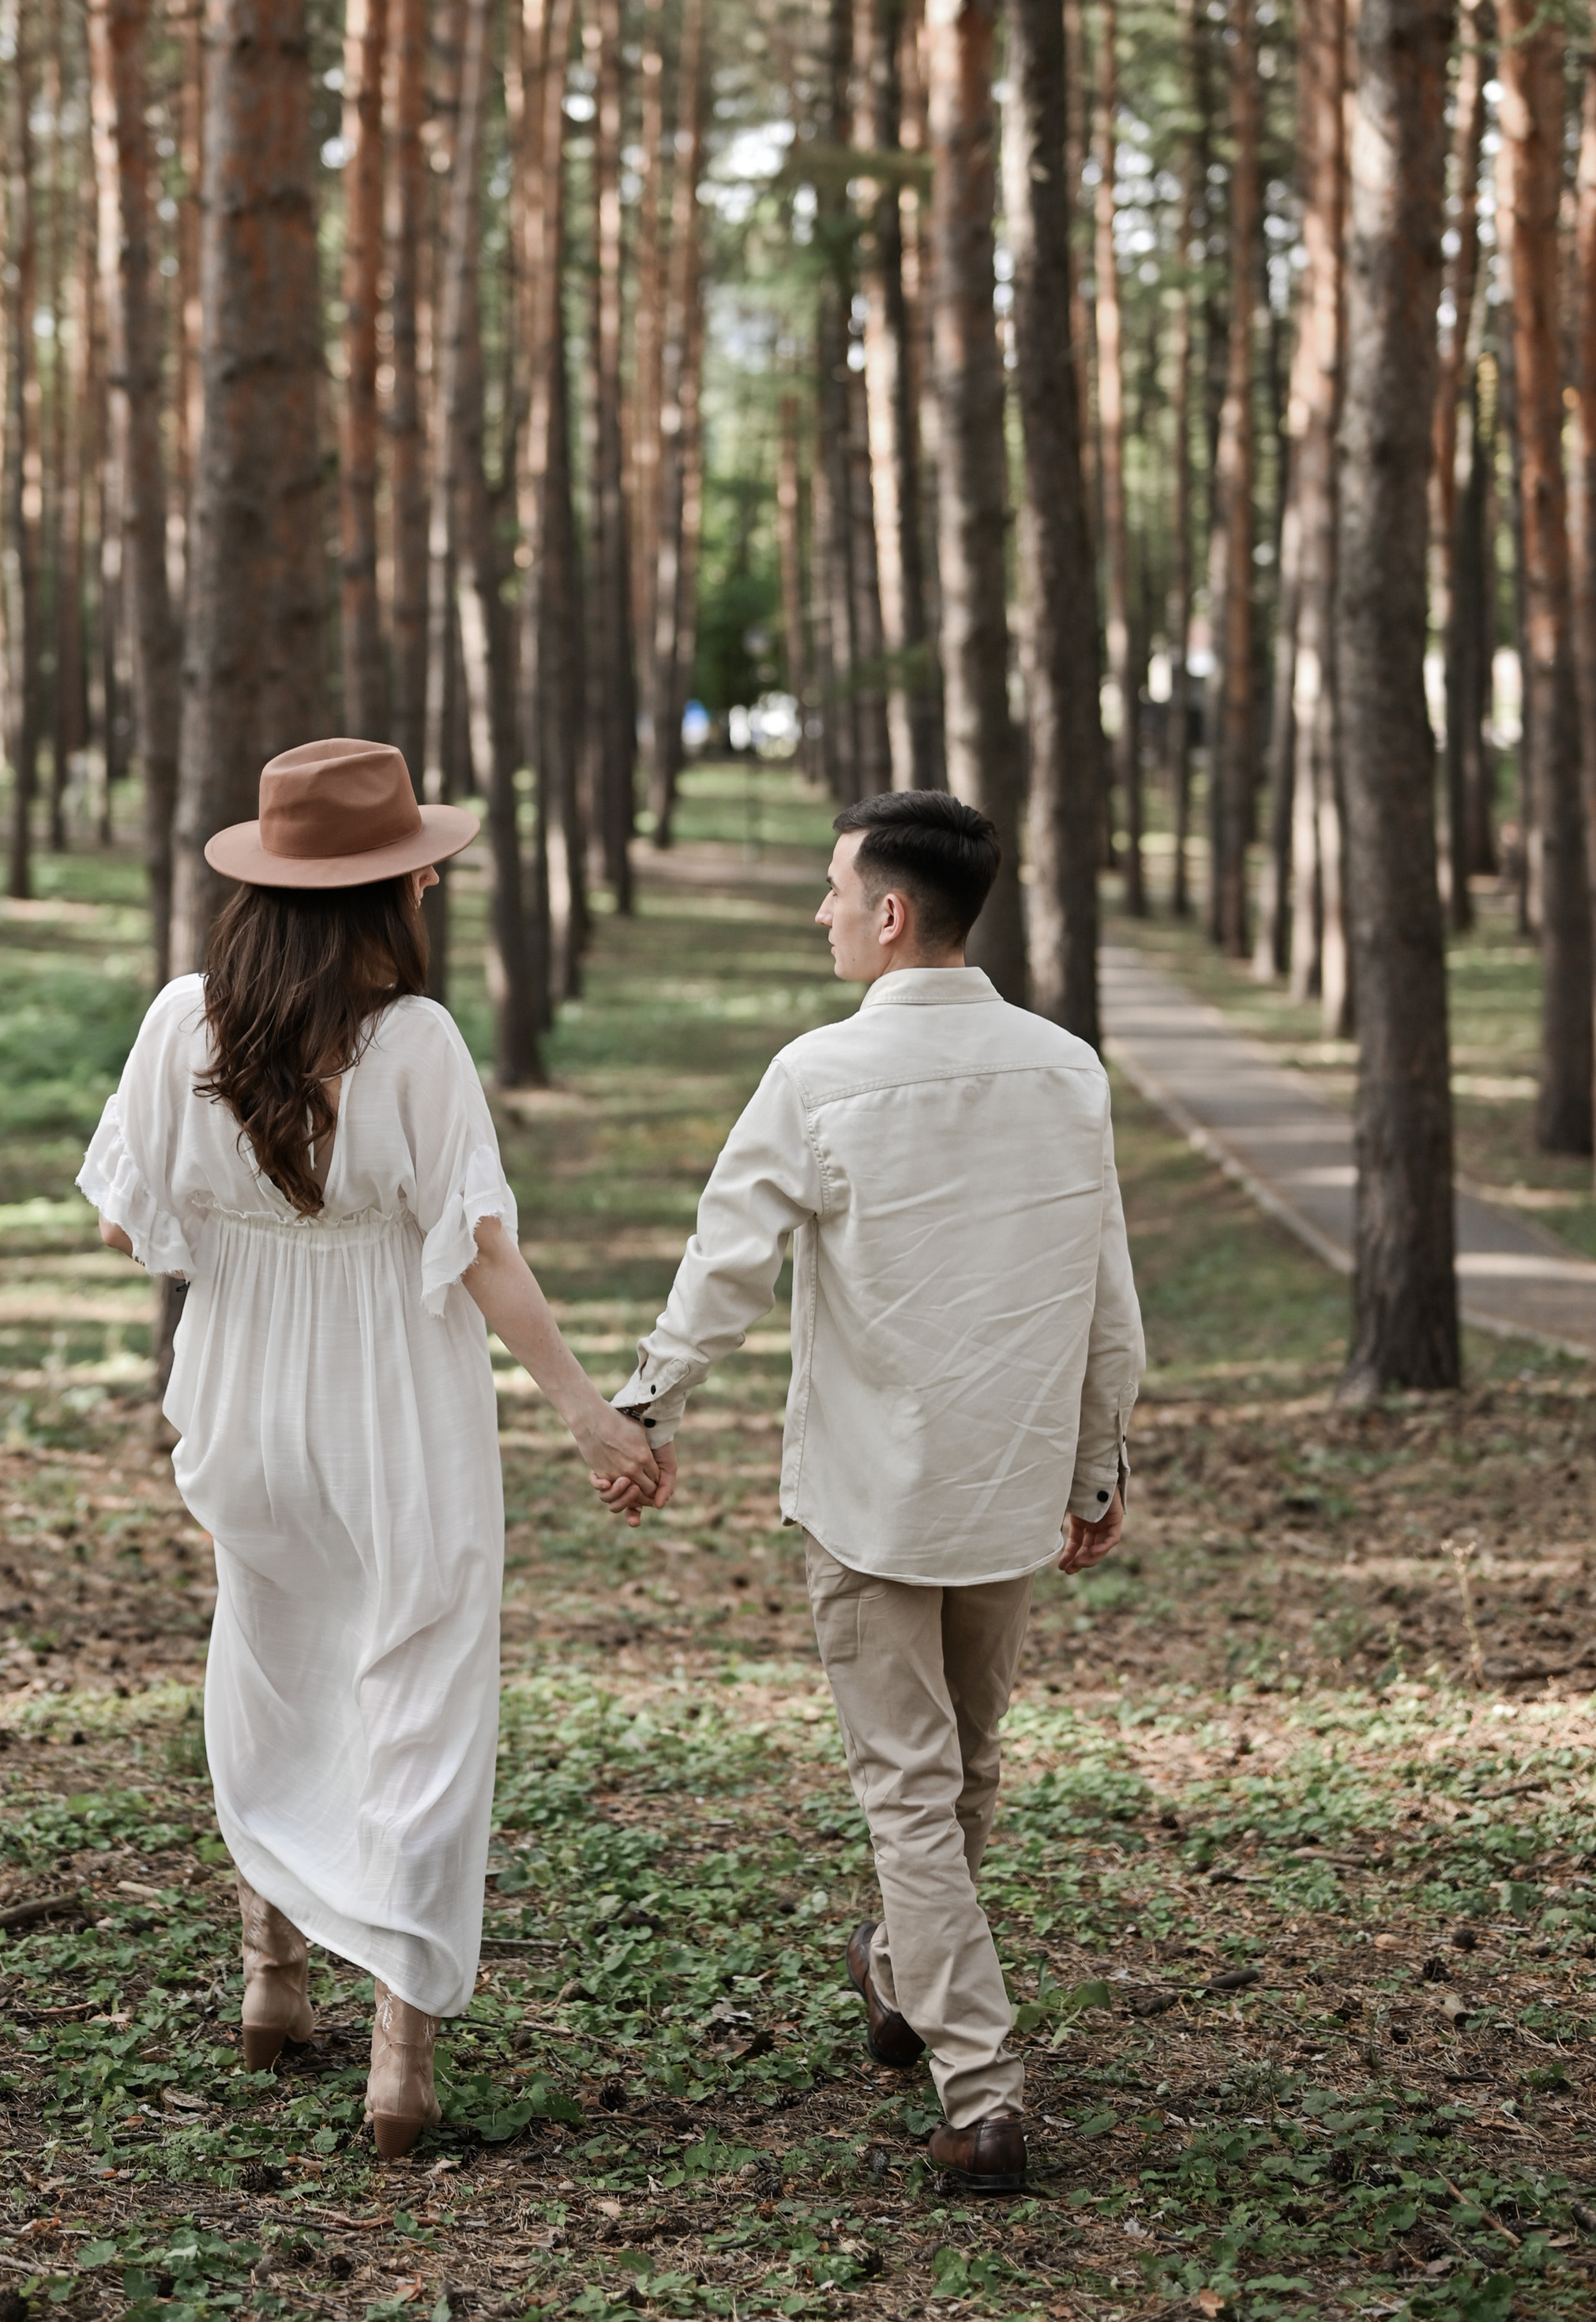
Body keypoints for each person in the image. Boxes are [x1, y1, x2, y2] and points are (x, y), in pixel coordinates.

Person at [78, 737, 659, 2158]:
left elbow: (121, 1218)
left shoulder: (180, 1022)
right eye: (423, 867)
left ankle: (270, 1982)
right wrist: (590, 1410)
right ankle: (398, 2061)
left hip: (242, 1389)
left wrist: (254, 1229)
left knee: (272, 1660)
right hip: (392, 1397)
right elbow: (479, 1256)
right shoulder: (413, 1041)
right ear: (392, 886)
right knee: (419, 1686)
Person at [602, 791, 1144, 2194]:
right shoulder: (1067, 1069)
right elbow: (1109, 1294)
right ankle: (902, 1971)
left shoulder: (818, 1077)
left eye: (835, 890)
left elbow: (728, 1264)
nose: (822, 912)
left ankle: (982, 2092)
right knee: (962, 1768)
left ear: (893, 913)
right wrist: (1097, 1458)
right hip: (1009, 1484)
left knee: (913, 1790)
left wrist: (647, 1402)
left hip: (872, 1497)